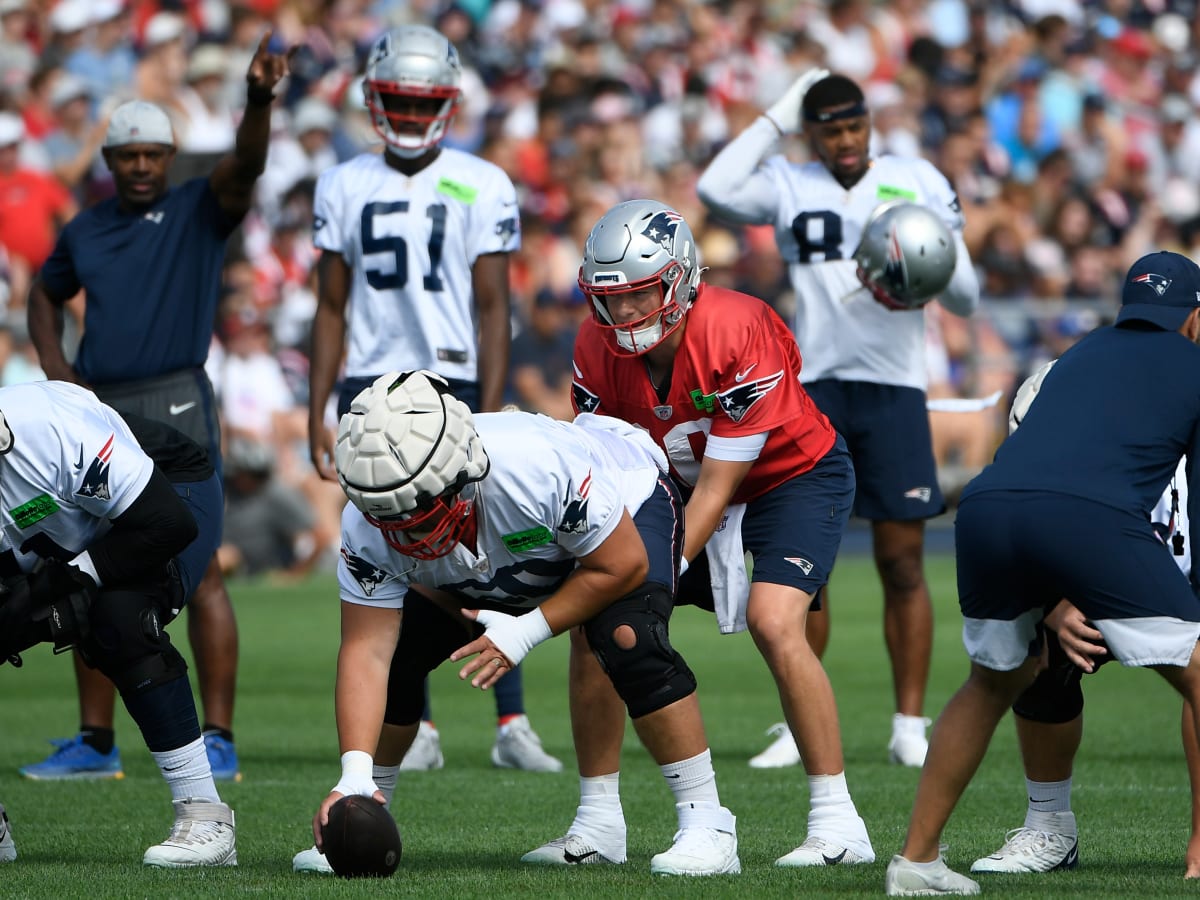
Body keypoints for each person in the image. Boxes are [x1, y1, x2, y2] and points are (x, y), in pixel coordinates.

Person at [536, 198, 874, 869]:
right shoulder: (592, 347)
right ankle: (599, 820)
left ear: (682, 278)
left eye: (640, 295)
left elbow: (720, 488)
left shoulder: (736, 326)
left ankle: (840, 822)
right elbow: (615, 467)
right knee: (595, 614)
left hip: (789, 477)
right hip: (680, 485)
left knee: (777, 621)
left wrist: (650, 581)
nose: (625, 314)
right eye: (612, 299)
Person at [304, 369, 739, 877]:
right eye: (388, 518)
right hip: (504, 549)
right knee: (403, 650)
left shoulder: (535, 467)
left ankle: (708, 823)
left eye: (419, 512)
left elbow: (621, 566)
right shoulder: (370, 519)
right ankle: (368, 801)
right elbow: (365, 652)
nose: (405, 534)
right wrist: (352, 772)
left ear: (462, 473)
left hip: (624, 506)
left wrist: (525, 629)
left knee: (626, 635)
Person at [885, 251, 1200, 896]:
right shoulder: (1192, 363)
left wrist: (1051, 590)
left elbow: (1032, 467)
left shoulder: (1077, 355)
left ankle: (915, 861)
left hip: (985, 510)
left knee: (993, 679)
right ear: (1195, 318)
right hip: (1095, 526)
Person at [24, 33, 295, 782]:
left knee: (199, 572)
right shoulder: (84, 229)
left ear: (169, 157)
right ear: (109, 161)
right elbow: (44, 296)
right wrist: (56, 369)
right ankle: (95, 741)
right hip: (99, 408)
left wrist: (259, 101)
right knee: (86, 563)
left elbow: (247, 165)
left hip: (176, 403)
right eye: (127, 155)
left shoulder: (198, 211)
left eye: (152, 154)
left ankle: (218, 736)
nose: (141, 165)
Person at [697, 69, 981, 767]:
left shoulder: (914, 176)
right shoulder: (792, 182)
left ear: (869, 126)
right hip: (811, 387)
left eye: (855, 126)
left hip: (893, 388)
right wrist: (780, 109)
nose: (846, 140)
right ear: (812, 131)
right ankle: (799, 724)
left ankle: (908, 721)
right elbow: (714, 187)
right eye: (829, 129)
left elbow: (968, 296)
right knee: (805, 565)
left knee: (903, 561)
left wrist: (924, 272)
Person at [304, 24, 555, 789]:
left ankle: (510, 717)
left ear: (448, 102)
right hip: (371, 385)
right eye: (398, 100)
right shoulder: (342, 182)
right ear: (373, 98)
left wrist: (497, 399)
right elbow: (330, 306)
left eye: (424, 101)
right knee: (397, 556)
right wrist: (320, 402)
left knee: (488, 548)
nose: (411, 115)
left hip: (453, 383)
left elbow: (491, 308)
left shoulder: (483, 181)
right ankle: (416, 724)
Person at [971, 362, 1198, 877]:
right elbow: (1015, 537)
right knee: (1030, 640)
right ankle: (1048, 826)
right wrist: (1052, 605)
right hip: (1116, 577)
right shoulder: (1044, 448)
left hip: (1182, 576)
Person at [0, 380, 232, 866]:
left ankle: (206, 815)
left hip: (167, 491)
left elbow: (168, 523)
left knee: (118, 618)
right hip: (67, 533)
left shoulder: (49, 432)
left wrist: (58, 587)